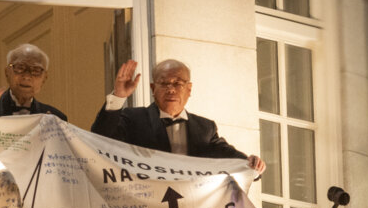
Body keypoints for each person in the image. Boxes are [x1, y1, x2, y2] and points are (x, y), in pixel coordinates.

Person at [91, 59, 266, 173]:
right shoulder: (133, 118)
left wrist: (250, 164)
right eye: (164, 83)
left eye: (178, 83)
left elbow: (227, 155)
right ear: (153, 89)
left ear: (189, 89)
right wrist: (119, 96)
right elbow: (99, 139)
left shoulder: (205, 128)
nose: (171, 89)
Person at [0, 44, 67, 121]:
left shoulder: (56, 118)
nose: (27, 76)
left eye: (36, 70)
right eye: (20, 68)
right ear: (7, 72)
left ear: (45, 78)